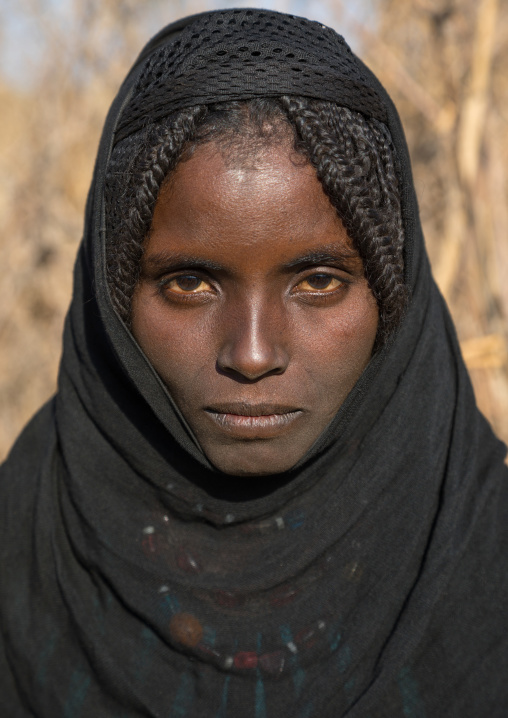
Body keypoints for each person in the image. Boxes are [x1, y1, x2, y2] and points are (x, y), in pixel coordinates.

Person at [1, 8, 507, 717]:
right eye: (189, 283)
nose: (253, 353)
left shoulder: (483, 550)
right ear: (114, 298)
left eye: (319, 282)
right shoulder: (24, 542)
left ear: (394, 292)